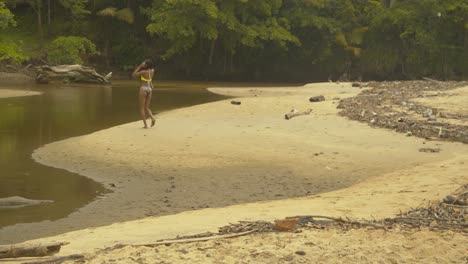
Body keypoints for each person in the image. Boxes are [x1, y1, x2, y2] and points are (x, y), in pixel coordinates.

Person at [132, 59, 156, 128]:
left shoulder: (143, 72)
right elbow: (150, 79)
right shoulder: (152, 71)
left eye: (144, 63)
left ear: (146, 65)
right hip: (150, 89)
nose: (143, 64)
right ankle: (153, 118)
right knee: (147, 107)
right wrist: (151, 84)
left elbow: (133, 74)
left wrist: (139, 66)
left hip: (143, 88)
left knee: (142, 108)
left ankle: (145, 125)